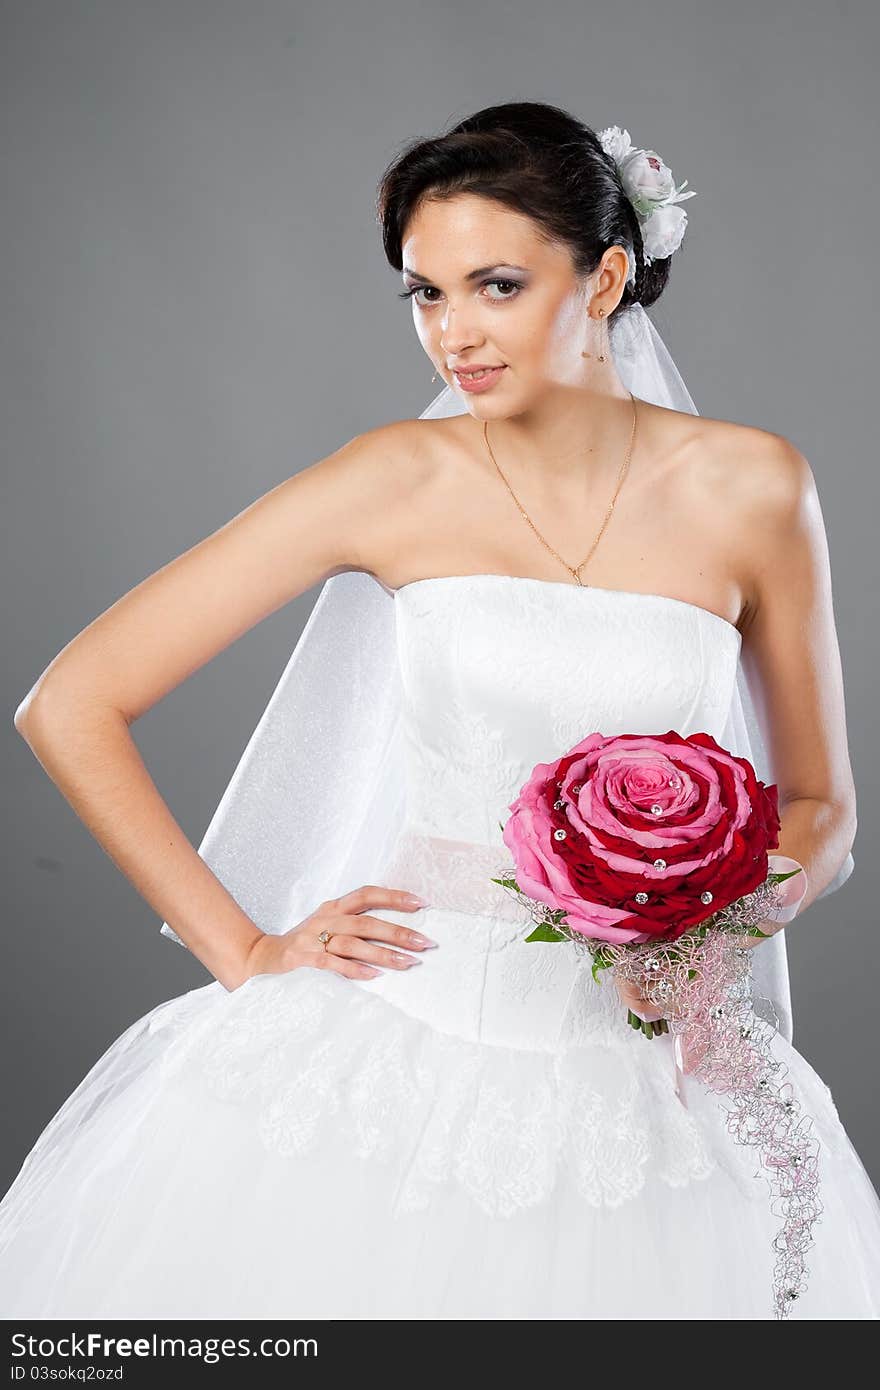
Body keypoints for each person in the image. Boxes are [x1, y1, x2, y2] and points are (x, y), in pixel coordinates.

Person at [2, 100, 879, 1321]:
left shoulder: (752, 485)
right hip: (393, 1045)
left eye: (496, 286)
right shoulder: (390, 478)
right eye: (424, 294)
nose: (452, 333)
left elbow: (822, 805)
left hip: (649, 1079)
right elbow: (71, 702)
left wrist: (713, 935)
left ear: (608, 276)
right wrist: (247, 954)